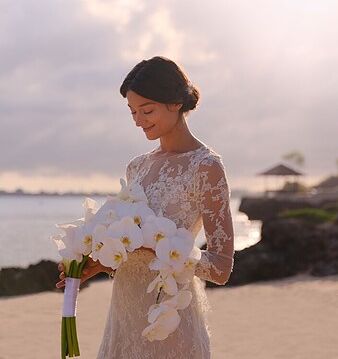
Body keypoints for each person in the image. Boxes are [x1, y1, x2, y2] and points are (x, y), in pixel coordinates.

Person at [57, 56, 234, 358]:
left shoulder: (206, 167)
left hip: (169, 316)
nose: (139, 120)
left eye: (147, 110)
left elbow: (220, 268)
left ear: (176, 102)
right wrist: (98, 262)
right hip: (124, 314)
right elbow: (132, 248)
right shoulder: (136, 167)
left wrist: (157, 247)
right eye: (132, 112)